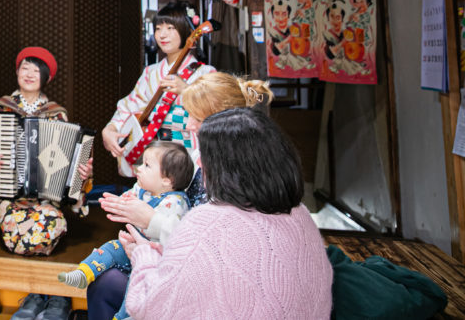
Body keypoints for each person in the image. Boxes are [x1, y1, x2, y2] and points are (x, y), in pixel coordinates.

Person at [89, 73, 273, 320]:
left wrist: (151, 222)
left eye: (196, 118)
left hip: (213, 283)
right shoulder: (200, 158)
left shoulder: (240, 175)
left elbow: (212, 247)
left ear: (221, 119)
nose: (189, 125)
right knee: (104, 282)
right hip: (181, 261)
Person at [120, 107, 331, 318]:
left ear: (225, 167)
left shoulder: (209, 221)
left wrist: (144, 254)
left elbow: (147, 307)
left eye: (204, 157)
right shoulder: (301, 215)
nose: (199, 164)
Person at [0, 46, 93, 320]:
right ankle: (48, 296)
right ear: (17, 72)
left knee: (48, 224)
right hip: (10, 194)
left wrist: (82, 171)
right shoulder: (0, 107)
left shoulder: (56, 113)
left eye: (37, 70)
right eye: (25, 68)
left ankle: (39, 297)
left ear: (46, 77)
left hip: (47, 197)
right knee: (20, 240)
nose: (30, 74)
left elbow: (70, 161)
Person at [58, 141, 193, 305]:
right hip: (134, 248)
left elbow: (174, 237)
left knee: (134, 287)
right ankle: (83, 273)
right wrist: (123, 201)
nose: (139, 168)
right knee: (111, 247)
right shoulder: (142, 189)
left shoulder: (175, 203)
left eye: (147, 166)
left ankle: (121, 316)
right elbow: (127, 200)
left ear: (167, 180)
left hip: (155, 260)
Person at [102, 0, 216, 180]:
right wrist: (110, 129)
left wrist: (187, 91)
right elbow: (129, 106)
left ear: (187, 30)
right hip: (155, 158)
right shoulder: (150, 73)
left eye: (170, 28)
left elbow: (217, 114)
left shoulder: (206, 73)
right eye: (158, 28)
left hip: (190, 155)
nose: (162, 34)